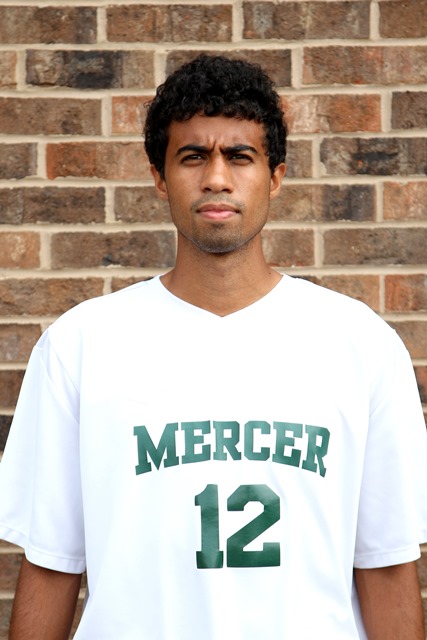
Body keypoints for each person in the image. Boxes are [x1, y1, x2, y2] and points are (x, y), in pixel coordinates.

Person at [0, 54, 426, 640]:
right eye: (193, 156)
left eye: (241, 156)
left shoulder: (361, 345)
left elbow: (386, 567)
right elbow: (52, 565)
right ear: (160, 176)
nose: (217, 178)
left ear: (275, 176)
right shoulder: (80, 345)